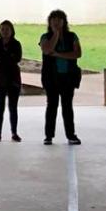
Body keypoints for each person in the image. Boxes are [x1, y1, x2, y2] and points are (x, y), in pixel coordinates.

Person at [39, 9, 82, 145]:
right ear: (50, 22)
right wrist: (56, 34)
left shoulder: (72, 36)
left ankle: (71, 135)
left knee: (67, 106)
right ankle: (48, 136)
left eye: (59, 19)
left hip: (68, 77)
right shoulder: (45, 37)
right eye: (54, 20)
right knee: (52, 105)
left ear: (64, 22)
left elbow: (77, 53)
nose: (56, 22)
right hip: (51, 77)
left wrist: (58, 54)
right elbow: (47, 50)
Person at [0, 20, 22, 142]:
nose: (4, 31)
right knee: (0, 108)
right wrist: (8, 58)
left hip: (13, 79)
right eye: (2, 29)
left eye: (7, 29)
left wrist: (2, 59)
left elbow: (17, 58)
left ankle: (14, 133)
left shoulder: (16, 44)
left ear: (12, 30)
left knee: (13, 108)